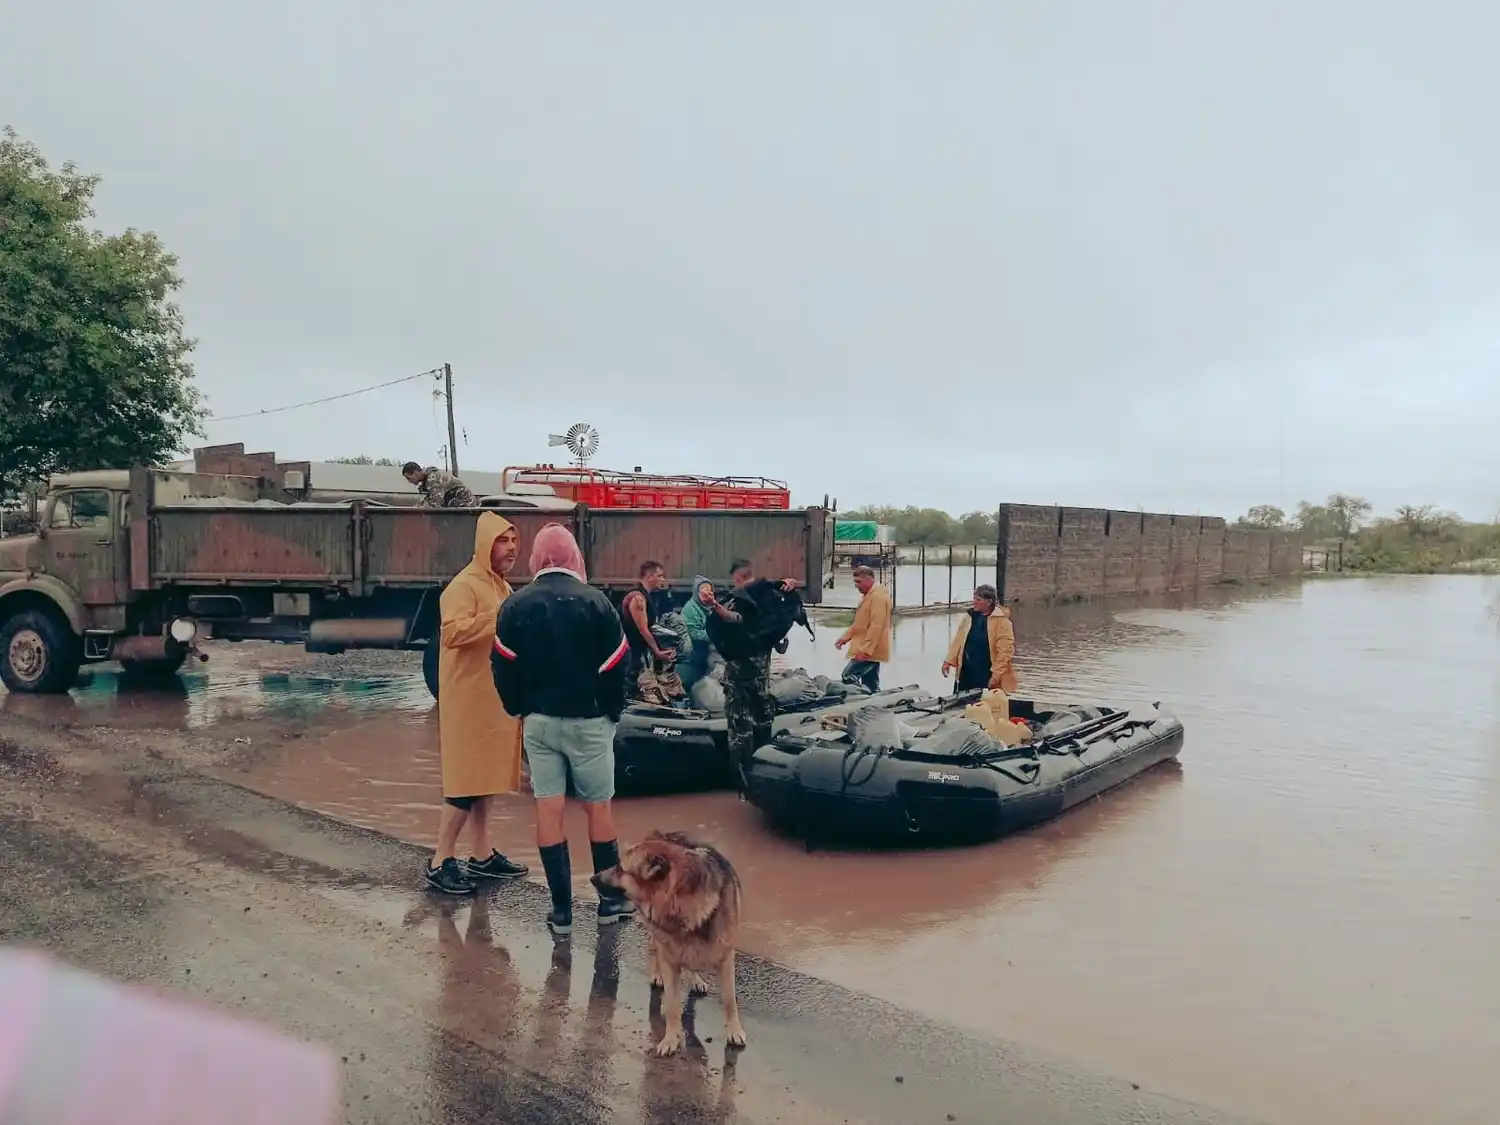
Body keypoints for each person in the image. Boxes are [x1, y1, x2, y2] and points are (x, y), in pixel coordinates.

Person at [492, 523, 634, 935]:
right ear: (574, 556)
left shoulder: (515, 606)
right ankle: (610, 904)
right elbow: (618, 664)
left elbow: (502, 663)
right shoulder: (598, 603)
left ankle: (561, 913)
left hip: (538, 721)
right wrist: (611, 712)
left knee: (548, 808)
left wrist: (519, 708)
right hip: (590, 722)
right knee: (598, 808)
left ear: (537, 557)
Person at [425, 512, 530, 895]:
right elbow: (452, 633)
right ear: (486, 544)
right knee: (464, 786)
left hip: (494, 700)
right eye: (504, 541)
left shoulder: (501, 586)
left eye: (515, 542)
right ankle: (440, 860)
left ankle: (482, 856)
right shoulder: (463, 586)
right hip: (467, 702)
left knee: (486, 780)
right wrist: (499, 616)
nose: (512, 549)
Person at [706, 559, 799, 785]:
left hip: (739, 678)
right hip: (761, 677)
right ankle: (764, 772)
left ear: (738, 578)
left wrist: (715, 606)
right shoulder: (771, 599)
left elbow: (735, 620)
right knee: (762, 722)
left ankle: (739, 779)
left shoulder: (740, 600)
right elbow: (779, 639)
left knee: (739, 729)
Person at [620, 560, 683, 706]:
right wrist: (657, 651)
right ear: (649, 577)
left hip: (638, 651)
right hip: (632, 651)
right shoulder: (638, 598)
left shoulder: (646, 596)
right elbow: (643, 629)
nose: (663, 580)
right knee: (635, 684)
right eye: (660, 576)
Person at [941, 583, 1018, 694]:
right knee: (962, 704)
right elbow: (958, 641)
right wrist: (948, 661)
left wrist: (996, 676)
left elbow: (1005, 652)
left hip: (987, 673)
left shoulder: (1002, 622)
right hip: (966, 671)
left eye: (978, 599)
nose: (974, 602)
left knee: (983, 705)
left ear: (989, 602)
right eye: (974, 598)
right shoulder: (970, 617)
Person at [835, 565, 892, 692]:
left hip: (870, 650)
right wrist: (845, 638)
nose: (856, 585)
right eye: (855, 582)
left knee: (848, 675)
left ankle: (856, 699)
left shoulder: (878, 597)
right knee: (870, 682)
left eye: (859, 582)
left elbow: (876, 625)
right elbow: (860, 623)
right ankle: (874, 702)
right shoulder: (869, 596)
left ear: (869, 579)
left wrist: (866, 650)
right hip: (867, 648)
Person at [676, 574, 716, 696]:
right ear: (696, 592)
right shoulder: (691, 609)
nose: (707, 595)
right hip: (692, 654)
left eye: (709, 592)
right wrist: (714, 636)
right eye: (703, 592)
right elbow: (693, 632)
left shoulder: (707, 607)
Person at [403, 461, 476, 508]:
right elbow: (429, 500)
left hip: (465, 505)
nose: (410, 481)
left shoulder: (433, 479)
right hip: (455, 504)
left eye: (409, 478)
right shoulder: (427, 481)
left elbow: (435, 503)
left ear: (415, 473)